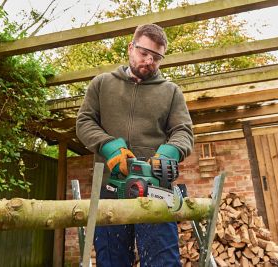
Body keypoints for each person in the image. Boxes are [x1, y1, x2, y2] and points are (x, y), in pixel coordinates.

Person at [76, 23, 194, 267]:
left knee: (162, 262)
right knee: (111, 261)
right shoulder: (101, 84)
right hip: (111, 188)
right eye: (144, 53)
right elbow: (85, 122)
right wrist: (108, 146)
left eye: (156, 57)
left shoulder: (171, 91)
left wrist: (169, 152)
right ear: (131, 48)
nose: (149, 60)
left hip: (156, 191)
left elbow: (183, 131)